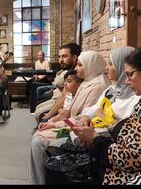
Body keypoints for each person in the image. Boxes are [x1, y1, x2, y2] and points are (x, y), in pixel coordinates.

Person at [29, 50, 111, 185]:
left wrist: (57, 123)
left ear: (90, 65)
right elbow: (73, 107)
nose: (77, 68)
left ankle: (38, 181)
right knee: (40, 129)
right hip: (71, 123)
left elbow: (82, 117)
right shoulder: (87, 81)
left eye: (80, 65)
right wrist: (59, 116)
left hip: (78, 130)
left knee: (37, 142)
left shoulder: (98, 86)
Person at [72, 48, 141, 185]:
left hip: (117, 166)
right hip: (107, 152)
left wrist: (95, 138)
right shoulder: (113, 88)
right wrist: (86, 117)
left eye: (110, 64)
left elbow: (131, 157)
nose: (106, 68)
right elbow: (93, 109)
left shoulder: (134, 98)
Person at [33, 43, 81, 121]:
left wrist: (49, 115)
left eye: (65, 56)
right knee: (37, 107)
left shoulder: (75, 73)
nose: (61, 60)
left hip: (64, 104)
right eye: (59, 57)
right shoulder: (67, 69)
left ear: (74, 57)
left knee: (38, 114)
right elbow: (58, 85)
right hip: (56, 97)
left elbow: (63, 95)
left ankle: (41, 129)